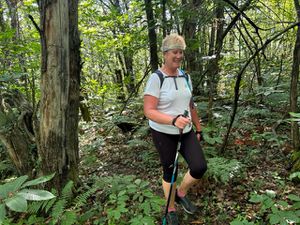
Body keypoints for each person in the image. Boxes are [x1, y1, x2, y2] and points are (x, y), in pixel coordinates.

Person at [143, 33, 207, 225]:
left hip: (185, 131)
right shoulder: (157, 78)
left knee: (199, 167)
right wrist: (172, 120)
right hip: (163, 132)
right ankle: (170, 208)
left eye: (181, 52)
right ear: (165, 54)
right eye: (174, 52)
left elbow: (191, 104)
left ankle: (180, 193)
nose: (178, 56)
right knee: (170, 171)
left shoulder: (185, 77)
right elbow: (148, 110)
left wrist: (198, 127)